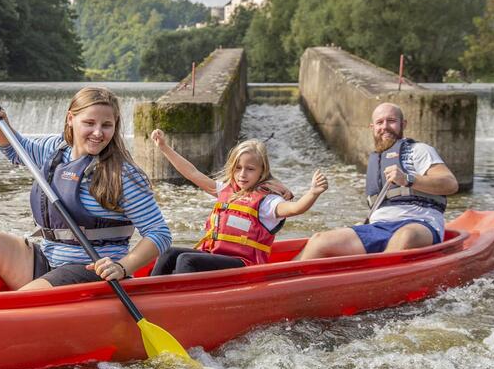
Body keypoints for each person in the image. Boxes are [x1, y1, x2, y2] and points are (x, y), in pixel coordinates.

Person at [0, 87, 171, 292]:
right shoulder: (56, 150)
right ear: (71, 119)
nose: (98, 132)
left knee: (18, 302)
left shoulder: (123, 174)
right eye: (89, 123)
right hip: (49, 259)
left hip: (91, 270)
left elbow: (159, 233)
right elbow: (14, 150)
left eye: (106, 125)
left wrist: (123, 267)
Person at [149, 129, 328, 275]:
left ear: (262, 171)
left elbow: (295, 208)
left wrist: (313, 193)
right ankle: (149, 297)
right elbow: (192, 173)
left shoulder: (268, 202)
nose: (242, 174)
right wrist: (164, 147)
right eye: (238, 168)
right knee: (168, 253)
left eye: (250, 169)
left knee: (185, 260)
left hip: (244, 265)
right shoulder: (225, 190)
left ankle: (181, 305)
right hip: (215, 257)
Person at [297, 102, 459, 260]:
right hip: (379, 227)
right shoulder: (376, 160)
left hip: (421, 223)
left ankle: (373, 280)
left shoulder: (419, 151)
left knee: (405, 236)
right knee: (319, 240)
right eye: (379, 122)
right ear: (372, 127)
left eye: (392, 121)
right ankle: (283, 281)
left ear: (403, 124)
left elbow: (450, 184)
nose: (385, 127)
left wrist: (408, 179)